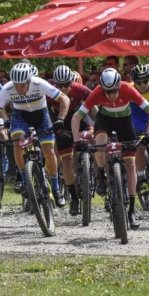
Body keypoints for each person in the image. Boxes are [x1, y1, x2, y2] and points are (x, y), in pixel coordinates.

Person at [71, 68, 149, 229]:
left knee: (130, 164)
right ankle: (101, 176)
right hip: (105, 120)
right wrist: (76, 141)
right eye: (107, 92)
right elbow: (77, 117)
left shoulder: (127, 88)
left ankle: (131, 210)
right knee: (100, 144)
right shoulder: (97, 92)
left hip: (125, 122)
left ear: (119, 86)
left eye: (114, 91)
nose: (110, 95)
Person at [0, 63, 70, 208]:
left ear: (29, 81)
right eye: (16, 85)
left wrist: (60, 119)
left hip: (41, 115)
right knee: (17, 142)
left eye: (22, 85)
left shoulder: (39, 84)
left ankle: (56, 188)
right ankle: (25, 182)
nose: (19, 89)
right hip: (21, 116)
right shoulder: (7, 88)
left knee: (49, 151)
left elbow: (64, 99)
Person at [50, 65, 93, 215]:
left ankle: (97, 172)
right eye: (59, 85)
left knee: (95, 137)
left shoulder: (80, 89)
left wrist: (100, 125)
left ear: (72, 82)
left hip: (80, 118)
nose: (63, 88)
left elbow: (94, 107)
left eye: (67, 84)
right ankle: (74, 198)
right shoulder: (49, 92)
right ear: (55, 83)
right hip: (61, 122)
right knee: (67, 160)